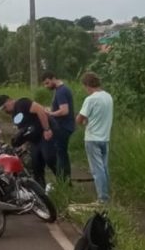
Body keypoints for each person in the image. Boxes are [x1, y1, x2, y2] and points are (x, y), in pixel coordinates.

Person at [0, 93, 56, 187]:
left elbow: (40, 110)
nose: (5, 110)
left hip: (44, 134)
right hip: (34, 140)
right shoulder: (14, 115)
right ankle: (41, 191)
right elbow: (24, 130)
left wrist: (47, 129)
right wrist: (23, 145)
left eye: (5, 107)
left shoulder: (22, 103)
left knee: (50, 159)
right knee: (36, 165)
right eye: (3, 109)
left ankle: (65, 183)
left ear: (9, 100)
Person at [76, 72, 114, 203]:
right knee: (104, 167)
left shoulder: (91, 99)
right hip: (105, 137)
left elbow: (79, 119)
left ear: (87, 85)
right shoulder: (108, 97)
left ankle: (102, 198)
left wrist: (83, 121)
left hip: (92, 138)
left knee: (97, 170)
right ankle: (106, 193)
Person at [41, 71, 75, 182]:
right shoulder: (61, 90)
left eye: (47, 83)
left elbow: (64, 111)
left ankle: (63, 180)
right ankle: (65, 180)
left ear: (54, 78)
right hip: (65, 126)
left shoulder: (61, 91)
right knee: (62, 153)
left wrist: (50, 114)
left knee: (60, 154)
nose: (46, 86)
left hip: (63, 127)